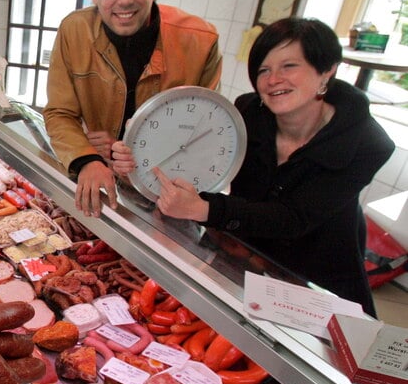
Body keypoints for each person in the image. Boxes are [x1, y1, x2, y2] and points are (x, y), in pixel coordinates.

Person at [112, 17, 395, 316]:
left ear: (326, 71)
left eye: (289, 66)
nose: (273, 80)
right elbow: (196, 151)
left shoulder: (367, 143)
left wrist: (204, 210)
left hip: (314, 280)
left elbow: (294, 218)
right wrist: (140, 150)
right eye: (263, 70)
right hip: (241, 257)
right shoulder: (247, 111)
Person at [43, 0, 222, 218]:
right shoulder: (74, 30)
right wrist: (86, 157)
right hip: (99, 177)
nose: (124, 0)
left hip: (166, 188)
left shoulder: (200, 41)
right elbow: (59, 112)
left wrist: (131, 151)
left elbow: (205, 128)